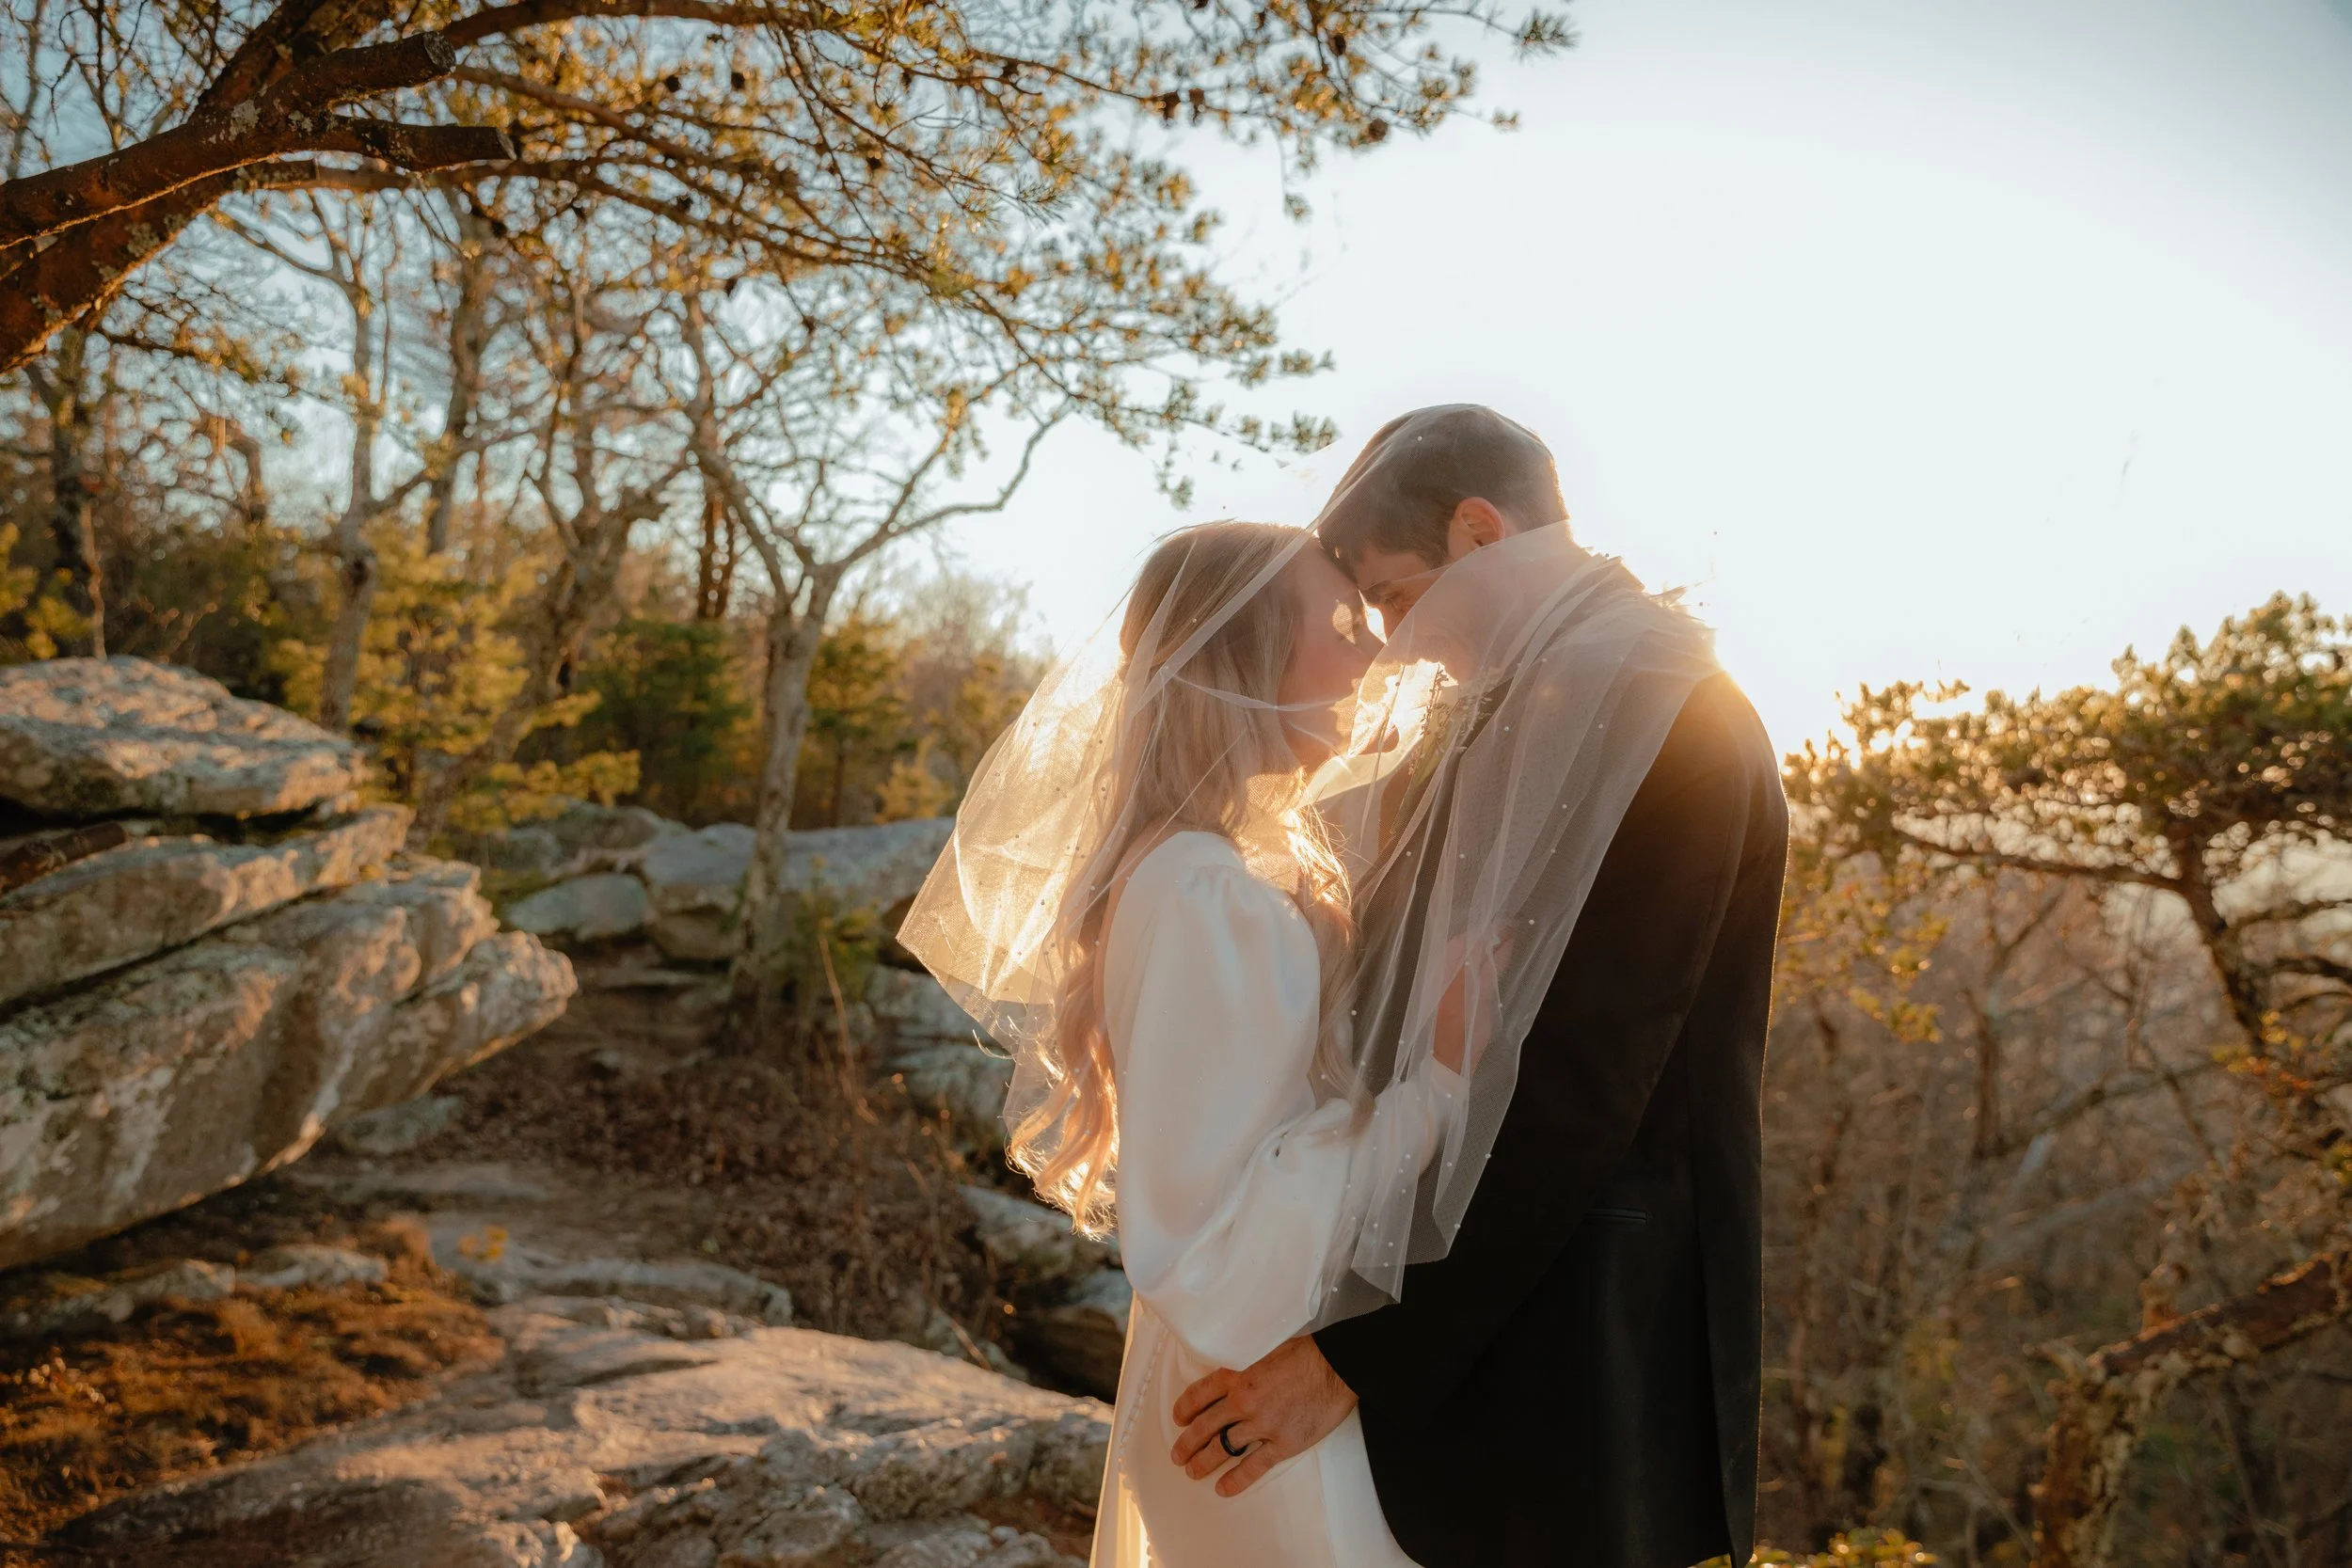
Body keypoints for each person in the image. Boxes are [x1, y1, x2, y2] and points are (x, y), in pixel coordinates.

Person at [1166, 405, 1790, 1568]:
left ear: (1478, 529)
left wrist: (1353, 1359)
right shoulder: (1530, 700)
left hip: (1582, 1352)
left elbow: (1584, 1088)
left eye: (1395, 596)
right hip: (1463, 1341)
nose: (1391, 645)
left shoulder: (1680, 722)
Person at [900, 520, 1459, 1567]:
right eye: (1342, 625)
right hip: (1254, 1403)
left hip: (1237, 1376)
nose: (1372, 654)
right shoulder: (1203, 891)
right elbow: (1215, 1232)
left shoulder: (1210, 871)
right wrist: (1440, 1087)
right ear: (1249, 659)